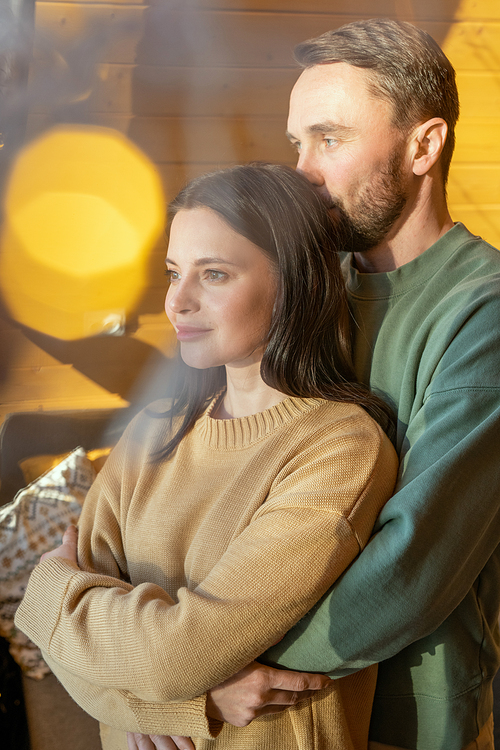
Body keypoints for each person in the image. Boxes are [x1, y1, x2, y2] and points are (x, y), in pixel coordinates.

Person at [15, 163, 398, 750]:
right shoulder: (156, 427)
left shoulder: (339, 446)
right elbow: (67, 649)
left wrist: (49, 594)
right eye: (173, 273)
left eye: (213, 274)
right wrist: (190, 702)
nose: (177, 303)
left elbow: (178, 652)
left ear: (293, 282)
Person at [196, 18, 500, 750]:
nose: (301, 170)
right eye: (297, 141)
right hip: (276, 714)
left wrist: (202, 661)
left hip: (406, 712)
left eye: (328, 139)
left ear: (424, 146)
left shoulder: (482, 312)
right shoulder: (310, 288)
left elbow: (414, 564)